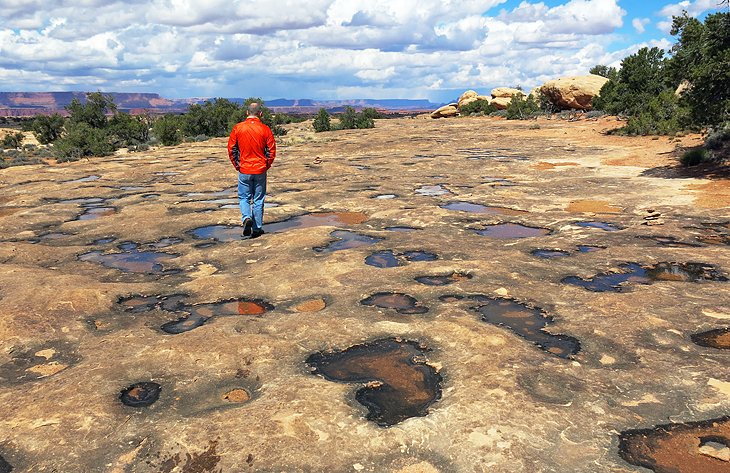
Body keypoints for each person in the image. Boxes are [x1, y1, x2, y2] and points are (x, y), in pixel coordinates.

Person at [227, 103, 276, 238]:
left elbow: (231, 149)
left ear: (247, 113)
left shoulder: (238, 128)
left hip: (244, 169)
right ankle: (257, 228)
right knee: (259, 199)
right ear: (260, 114)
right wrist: (266, 165)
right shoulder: (265, 129)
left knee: (244, 197)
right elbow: (271, 151)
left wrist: (237, 165)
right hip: (260, 169)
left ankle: (246, 218)